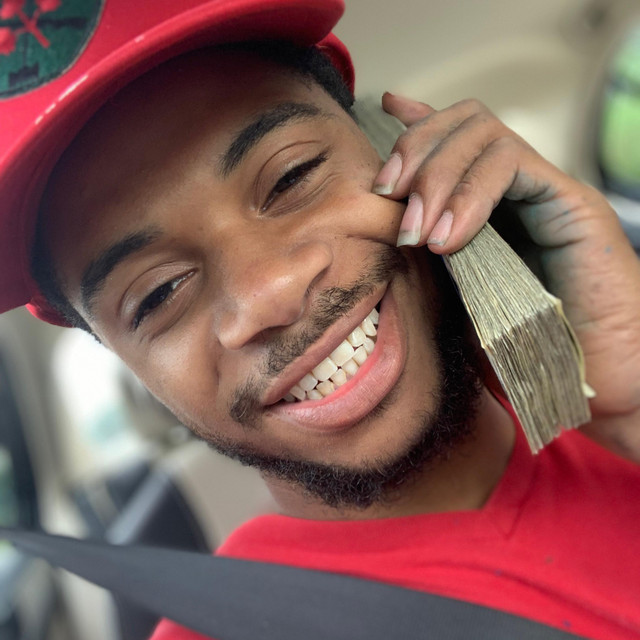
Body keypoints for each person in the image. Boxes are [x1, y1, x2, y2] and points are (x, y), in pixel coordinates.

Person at [1, 1, 640, 638]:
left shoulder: (610, 403)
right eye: (157, 293)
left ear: (389, 151)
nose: (269, 294)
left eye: (292, 177)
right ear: (131, 367)